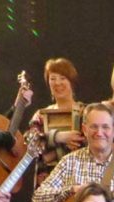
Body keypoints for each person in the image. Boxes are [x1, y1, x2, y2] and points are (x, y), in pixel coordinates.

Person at [27, 57, 85, 187]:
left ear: (71, 81)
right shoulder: (40, 115)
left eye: (62, 78)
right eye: (52, 79)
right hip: (48, 182)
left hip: (79, 179)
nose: (57, 83)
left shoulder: (85, 112)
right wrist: (58, 137)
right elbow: (31, 141)